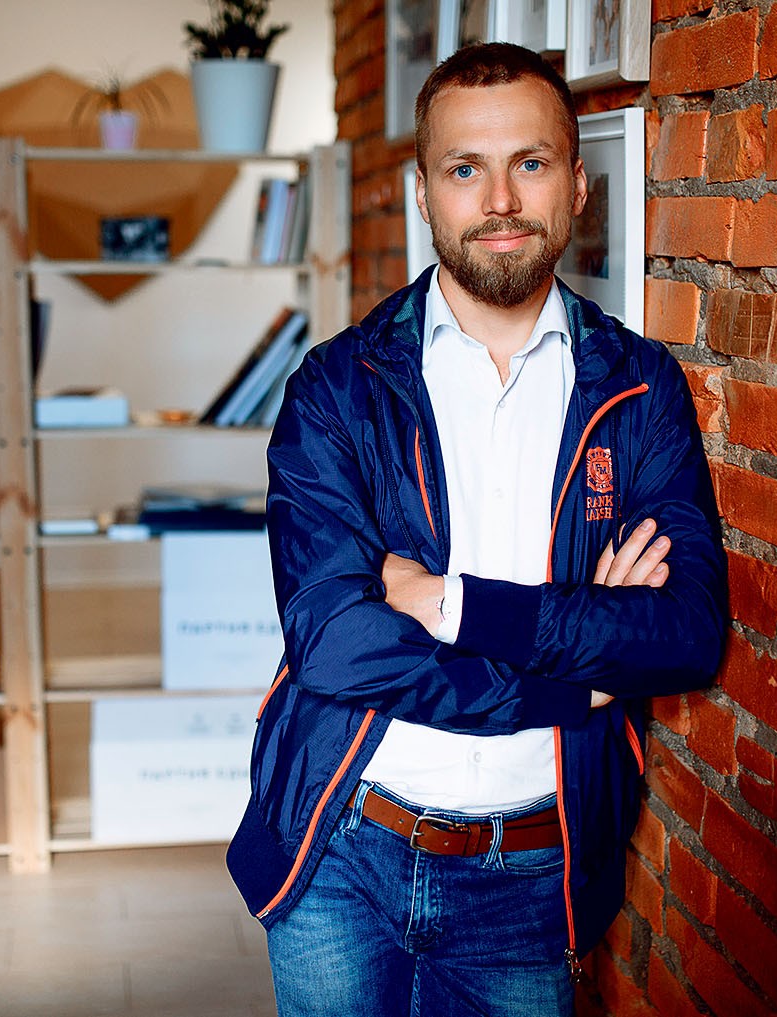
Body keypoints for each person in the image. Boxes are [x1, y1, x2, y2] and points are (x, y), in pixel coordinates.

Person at [225, 42, 728, 1016]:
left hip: (529, 876)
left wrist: (449, 603)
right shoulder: (339, 388)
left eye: (529, 163)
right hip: (342, 852)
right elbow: (335, 643)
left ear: (577, 185)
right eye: (465, 169)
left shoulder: (638, 390)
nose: (500, 199)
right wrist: (571, 676)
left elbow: (684, 634)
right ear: (424, 193)